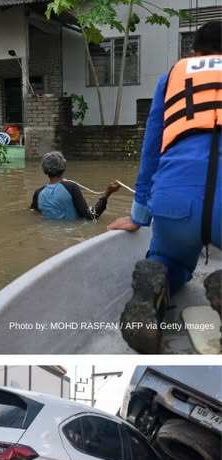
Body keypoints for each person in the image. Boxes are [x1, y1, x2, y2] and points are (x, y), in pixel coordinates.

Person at [108, 21, 222, 353]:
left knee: (167, 259)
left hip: (173, 202)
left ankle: (153, 292)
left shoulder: (171, 78)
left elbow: (151, 148)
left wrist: (139, 214)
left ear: (194, 53)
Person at [30, 151, 120, 220]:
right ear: (63, 167)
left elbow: (33, 212)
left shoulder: (38, 193)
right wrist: (107, 193)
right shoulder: (71, 187)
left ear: (44, 170)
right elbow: (91, 216)